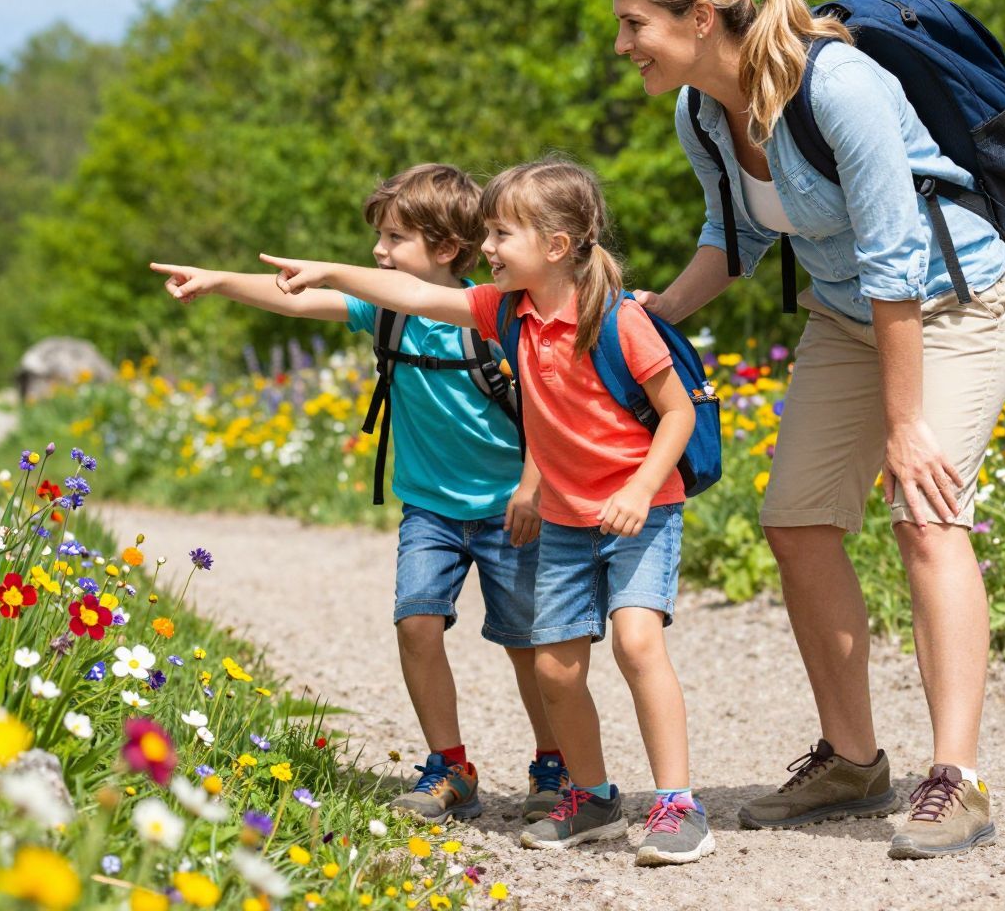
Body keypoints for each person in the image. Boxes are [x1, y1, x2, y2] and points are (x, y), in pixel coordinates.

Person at [610, 0, 1005, 859]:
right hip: (849, 315)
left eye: (637, 24)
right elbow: (738, 239)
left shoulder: (835, 83)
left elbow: (894, 255)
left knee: (926, 514)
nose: (624, 45)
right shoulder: (703, 115)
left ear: (702, 15)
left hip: (950, 303)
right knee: (796, 523)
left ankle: (956, 780)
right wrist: (658, 311)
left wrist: (904, 423)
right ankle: (853, 761)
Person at [261, 156, 714, 866]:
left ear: (557, 246)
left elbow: (678, 413)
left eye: (502, 234)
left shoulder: (621, 322)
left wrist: (636, 488)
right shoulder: (504, 313)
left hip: (642, 507)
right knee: (557, 671)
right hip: (566, 519)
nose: (488, 247)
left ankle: (677, 805)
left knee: (634, 644)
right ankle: (593, 798)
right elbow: (408, 292)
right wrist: (328, 271)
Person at [149, 163, 567, 823]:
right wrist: (216, 282)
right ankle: (451, 768)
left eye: (395, 238)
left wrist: (532, 488)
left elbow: (552, 406)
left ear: (446, 248)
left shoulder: (493, 316)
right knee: (416, 623)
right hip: (428, 508)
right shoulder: (384, 312)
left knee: (527, 643)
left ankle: (555, 763)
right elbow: (290, 297)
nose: (378, 251)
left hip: (507, 508)